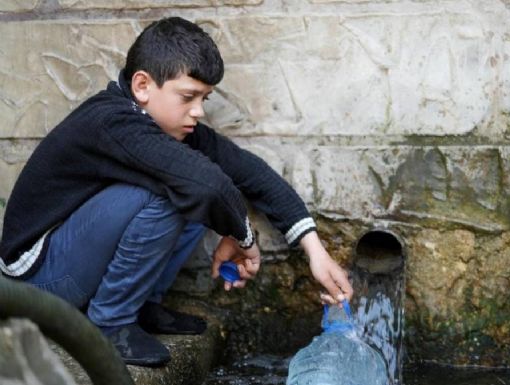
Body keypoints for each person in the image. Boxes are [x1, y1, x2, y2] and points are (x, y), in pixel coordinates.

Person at [0, 17, 353, 367]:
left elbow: (250, 173)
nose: (198, 111)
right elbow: (208, 186)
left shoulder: (174, 128)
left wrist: (315, 250)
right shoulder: (112, 121)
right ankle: (110, 324)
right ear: (142, 86)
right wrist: (244, 238)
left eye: (205, 98)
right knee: (181, 186)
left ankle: (142, 307)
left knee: (194, 176)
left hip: (71, 269)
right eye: (188, 97)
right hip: (38, 281)